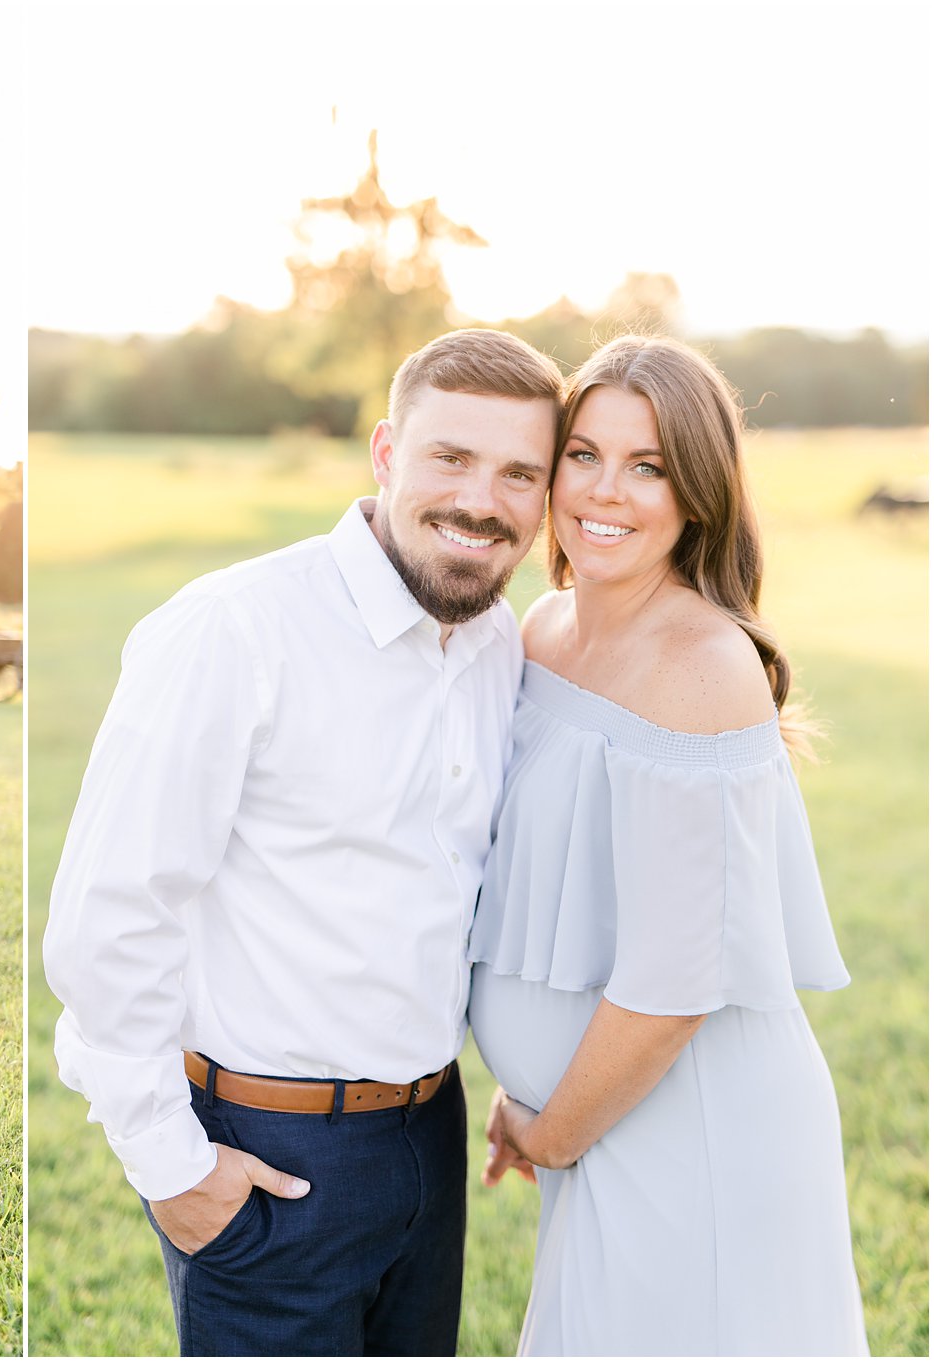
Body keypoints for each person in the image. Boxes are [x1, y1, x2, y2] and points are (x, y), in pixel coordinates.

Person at [44, 329, 565, 1356]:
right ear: (384, 453)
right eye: (450, 458)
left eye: (519, 474)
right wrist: (174, 1169)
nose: (481, 501)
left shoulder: (504, 642)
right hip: (265, 1155)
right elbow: (112, 913)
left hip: (430, 1135)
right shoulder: (233, 631)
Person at [469, 335, 868, 1355]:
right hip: (603, 1124)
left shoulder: (703, 663)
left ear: (697, 493)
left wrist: (549, 1131)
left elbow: (674, 980)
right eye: (585, 454)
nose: (607, 490)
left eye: (648, 466)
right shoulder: (542, 631)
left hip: (698, 1128)